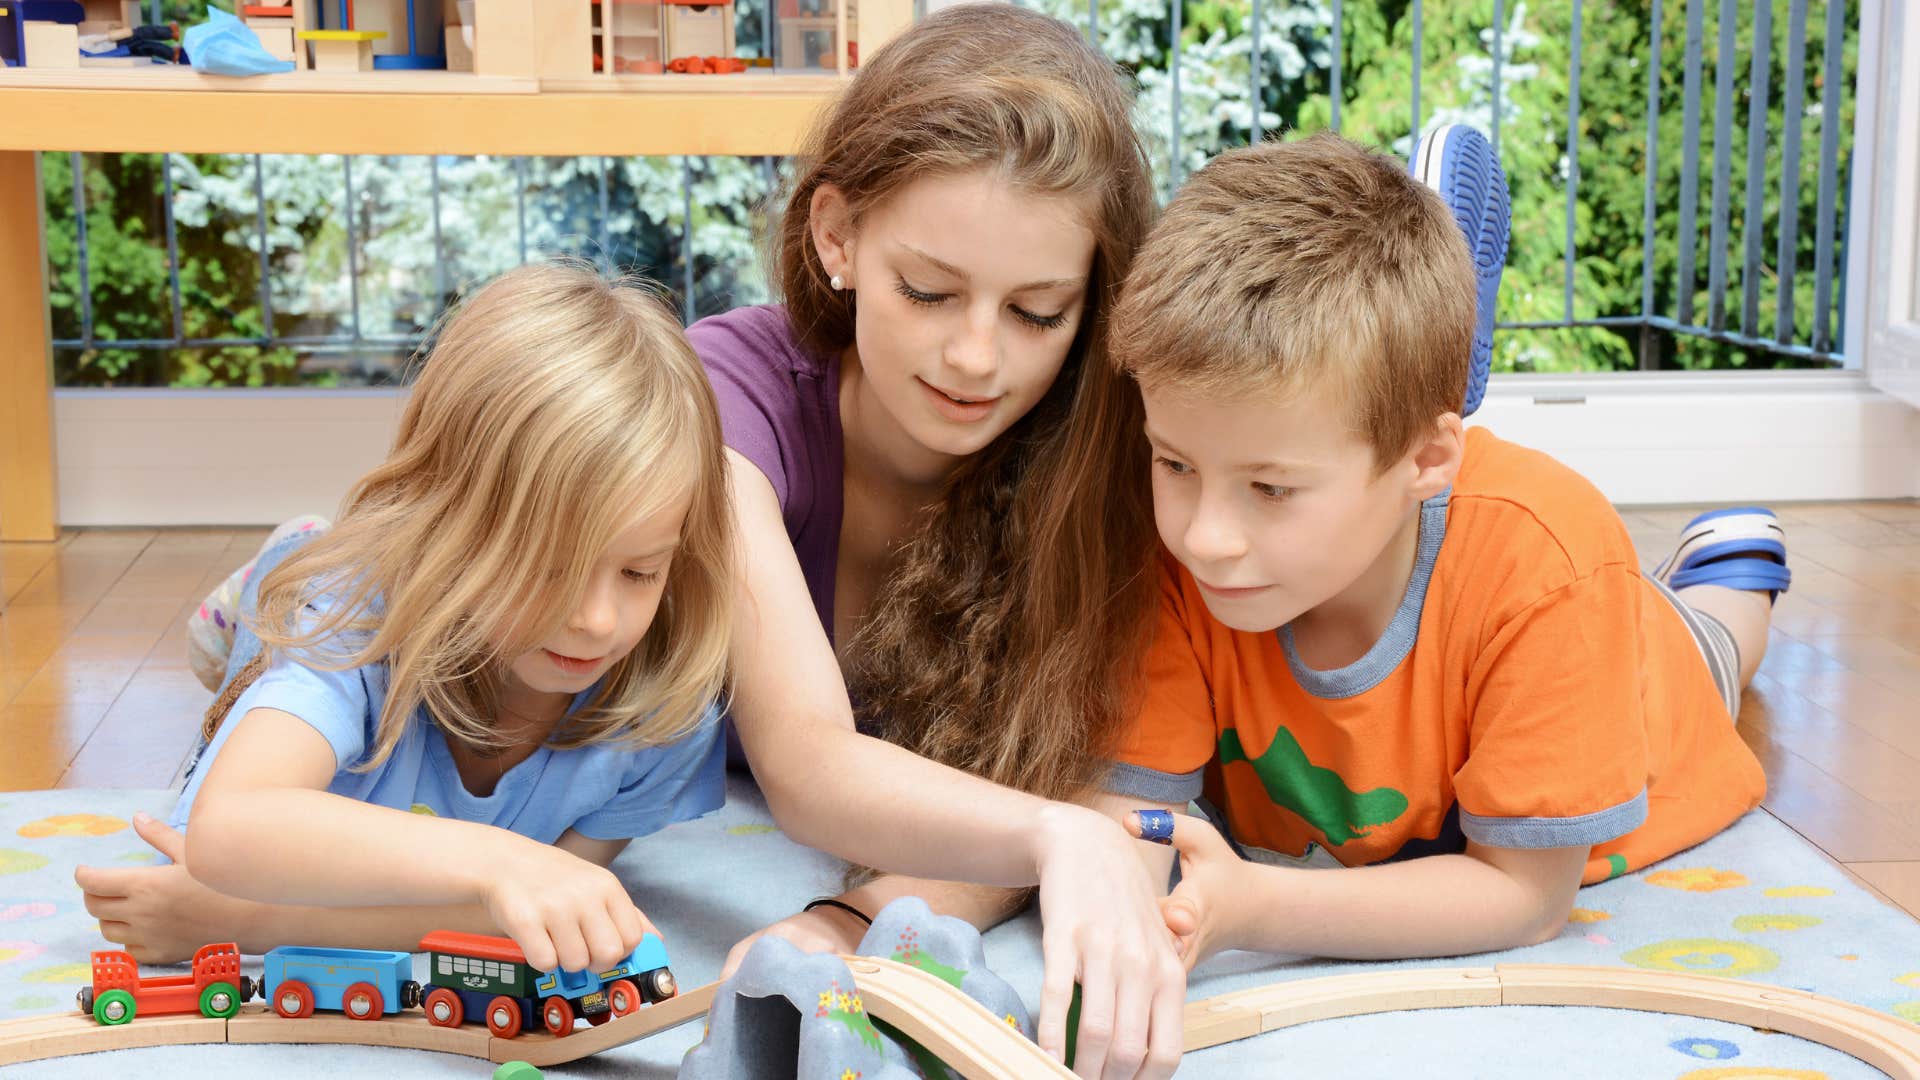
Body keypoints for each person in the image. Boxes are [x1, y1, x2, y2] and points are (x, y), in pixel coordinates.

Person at [1099, 133, 1787, 966]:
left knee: (1716, 645)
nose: (1203, 536)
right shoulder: (1171, 551)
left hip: (1647, 675)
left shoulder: (1552, 567)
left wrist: (1258, 907)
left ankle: (1729, 567)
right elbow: (1128, 817)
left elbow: (1524, 897)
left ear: (1425, 461)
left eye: (1271, 488)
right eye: (1173, 462)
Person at [691, 7, 1183, 1074]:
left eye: (1038, 312)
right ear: (837, 236)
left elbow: (1077, 768)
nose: (976, 357)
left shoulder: (1103, 464)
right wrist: (1060, 835)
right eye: (929, 290)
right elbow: (809, 764)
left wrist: (856, 919)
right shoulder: (725, 399)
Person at [79, 262, 735, 977]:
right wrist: (503, 860)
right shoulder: (353, 622)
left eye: (641, 572)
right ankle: (275, 575)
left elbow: (528, 916)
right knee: (304, 598)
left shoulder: (666, 705)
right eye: (550, 569)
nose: (599, 621)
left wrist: (242, 920)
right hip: (343, 592)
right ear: (445, 521)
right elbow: (227, 828)